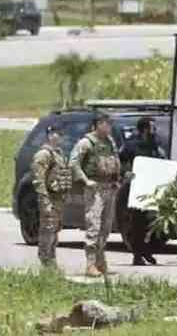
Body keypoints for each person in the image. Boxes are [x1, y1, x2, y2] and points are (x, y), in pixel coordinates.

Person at [70, 112, 128, 277]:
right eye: (105, 123)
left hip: (109, 188)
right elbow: (73, 163)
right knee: (93, 226)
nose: (109, 126)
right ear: (97, 125)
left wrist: (117, 180)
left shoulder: (110, 142)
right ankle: (90, 264)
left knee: (106, 227)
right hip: (95, 189)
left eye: (109, 123)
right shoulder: (86, 143)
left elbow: (115, 161)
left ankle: (100, 262)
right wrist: (85, 181)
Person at [31, 124, 72, 269]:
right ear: (49, 135)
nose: (58, 136)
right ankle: (45, 260)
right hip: (49, 199)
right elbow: (38, 180)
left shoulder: (59, 154)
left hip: (58, 199)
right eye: (55, 133)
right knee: (47, 230)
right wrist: (44, 201)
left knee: (55, 231)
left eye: (60, 133)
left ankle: (51, 261)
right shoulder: (44, 154)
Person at [127, 117, 162, 266]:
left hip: (152, 187)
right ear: (145, 128)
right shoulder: (132, 145)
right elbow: (122, 160)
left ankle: (146, 250)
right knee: (138, 223)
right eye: (152, 127)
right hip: (137, 188)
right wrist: (127, 173)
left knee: (152, 223)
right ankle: (137, 254)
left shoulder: (154, 145)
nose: (154, 130)